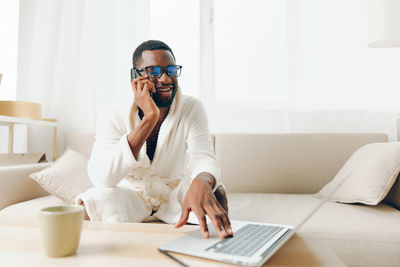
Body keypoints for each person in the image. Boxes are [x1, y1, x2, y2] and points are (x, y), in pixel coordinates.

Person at [76, 40, 232, 239]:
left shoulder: (191, 107)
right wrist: (150, 118)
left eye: (171, 70)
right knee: (91, 201)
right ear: (135, 76)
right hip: (130, 196)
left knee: (217, 191)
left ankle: (217, 248)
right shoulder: (112, 113)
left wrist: (202, 180)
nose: (166, 78)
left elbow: (203, 157)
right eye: (154, 71)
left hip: (172, 197)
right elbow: (102, 178)